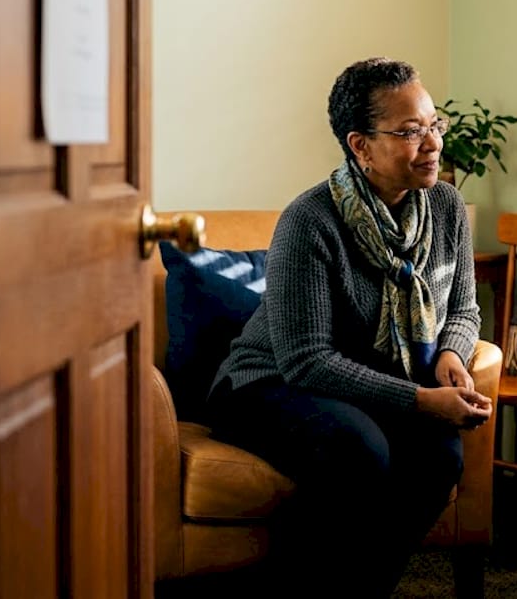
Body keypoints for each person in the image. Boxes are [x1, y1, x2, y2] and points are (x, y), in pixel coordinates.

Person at [204, 57, 492, 597]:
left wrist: (451, 355)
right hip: (267, 384)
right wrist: (422, 400)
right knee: (358, 449)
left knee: (438, 455)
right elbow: (307, 360)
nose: (431, 143)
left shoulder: (447, 206)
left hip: (373, 384)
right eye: (410, 132)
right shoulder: (310, 220)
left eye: (434, 125)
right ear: (360, 145)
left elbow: (464, 311)